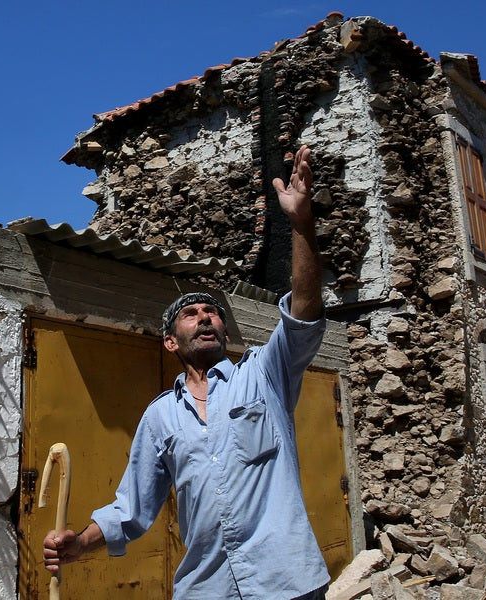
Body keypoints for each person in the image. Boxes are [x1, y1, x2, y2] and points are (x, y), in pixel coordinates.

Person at [42, 145, 330, 599]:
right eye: (192, 313)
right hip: (206, 588)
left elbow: (305, 311)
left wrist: (301, 225)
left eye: (212, 312)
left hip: (286, 583)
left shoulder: (264, 376)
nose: (206, 317)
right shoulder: (160, 418)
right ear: (171, 342)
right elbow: (132, 508)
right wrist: (80, 543)